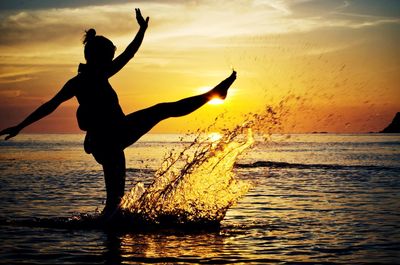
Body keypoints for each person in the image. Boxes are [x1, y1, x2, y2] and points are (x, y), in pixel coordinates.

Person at [0, 9, 237, 219]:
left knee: (116, 201)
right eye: (109, 57)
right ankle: (214, 94)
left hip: (111, 136)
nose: (113, 60)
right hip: (108, 138)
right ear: (99, 57)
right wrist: (20, 125)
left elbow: (128, 54)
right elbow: (50, 105)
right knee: (163, 110)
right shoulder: (88, 79)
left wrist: (141, 29)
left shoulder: (91, 77)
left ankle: (214, 95)